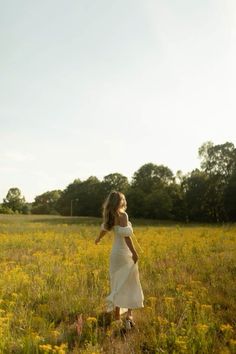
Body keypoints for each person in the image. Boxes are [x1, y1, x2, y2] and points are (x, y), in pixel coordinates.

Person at [95, 191, 144, 328]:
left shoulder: (109, 216)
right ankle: (129, 316)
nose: (124, 201)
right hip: (124, 253)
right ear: (119, 202)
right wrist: (134, 253)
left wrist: (98, 239)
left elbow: (104, 230)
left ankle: (117, 316)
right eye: (123, 199)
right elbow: (126, 237)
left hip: (114, 255)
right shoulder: (123, 215)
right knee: (130, 283)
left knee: (117, 283)